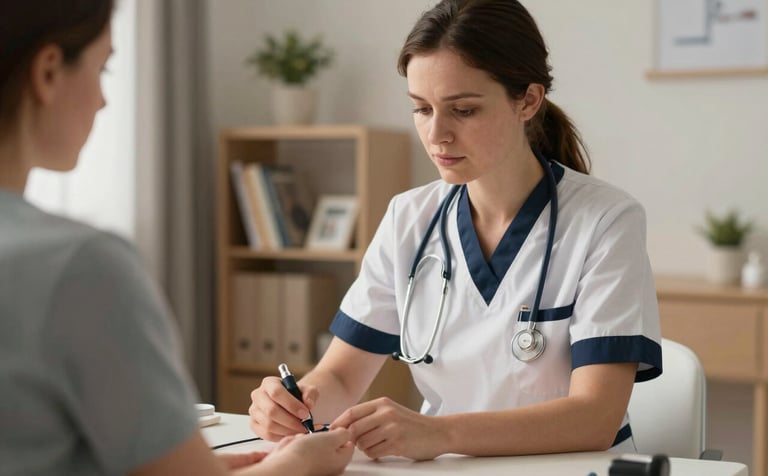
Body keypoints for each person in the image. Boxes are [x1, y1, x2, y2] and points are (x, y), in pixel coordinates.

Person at [248, 0, 662, 462]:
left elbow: (595, 417)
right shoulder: (409, 218)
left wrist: (440, 433)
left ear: (528, 100)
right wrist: (294, 404)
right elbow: (342, 377)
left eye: (463, 110)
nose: (436, 134)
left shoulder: (607, 220)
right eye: (421, 109)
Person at [0, 2, 353, 475]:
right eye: (103, 69)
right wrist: (298, 465)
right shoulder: (79, 265)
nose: (103, 101)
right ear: (47, 73)